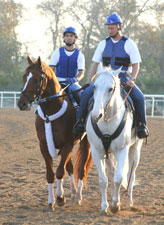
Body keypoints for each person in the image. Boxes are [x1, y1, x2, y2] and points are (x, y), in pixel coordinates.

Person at [73, 12, 149, 139]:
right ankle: (80, 122)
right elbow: (95, 64)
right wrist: (90, 80)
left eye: (112, 28)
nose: (109, 30)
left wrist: (132, 79)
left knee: (140, 98)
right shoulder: (103, 43)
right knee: (86, 94)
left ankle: (142, 126)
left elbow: (136, 64)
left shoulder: (129, 43)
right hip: (104, 77)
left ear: (119, 27)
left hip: (123, 77)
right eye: (108, 28)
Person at [49, 26, 85, 100]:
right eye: (67, 36)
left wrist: (76, 79)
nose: (69, 38)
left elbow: (81, 73)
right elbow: (50, 70)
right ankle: (39, 109)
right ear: (64, 38)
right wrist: (53, 80)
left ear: (75, 38)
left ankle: (83, 111)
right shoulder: (57, 52)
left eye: (71, 36)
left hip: (72, 83)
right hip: (57, 82)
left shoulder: (80, 55)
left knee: (83, 96)